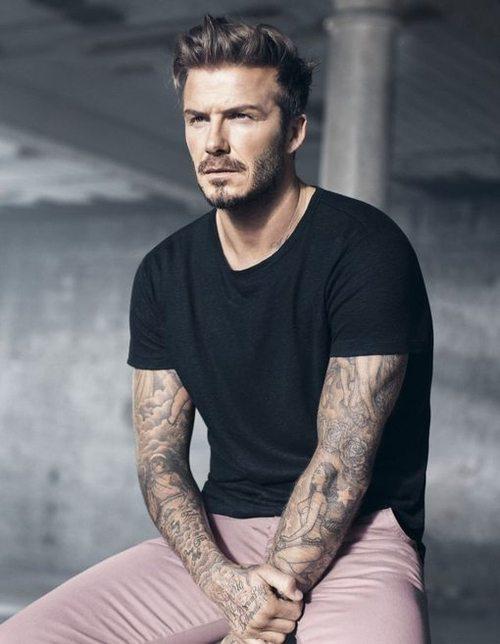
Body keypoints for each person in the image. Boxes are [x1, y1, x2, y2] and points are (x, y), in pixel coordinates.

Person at [0, 14, 433, 644]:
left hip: (361, 537)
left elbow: (341, 461)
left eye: (242, 116)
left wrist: (269, 595)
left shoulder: (365, 249)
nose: (215, 143)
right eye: (198, 119)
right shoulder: (164, 273)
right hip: (219, 538)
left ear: (294, 131)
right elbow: (160, 459)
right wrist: (224, 581)